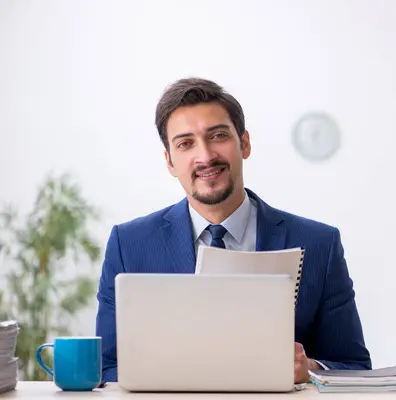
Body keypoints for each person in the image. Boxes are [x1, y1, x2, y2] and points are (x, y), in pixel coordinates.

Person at [95, 77, 372, 383]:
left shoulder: (320, 243)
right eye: (185, 143)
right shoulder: (129, 244)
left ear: (245, 143)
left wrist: (311, 369)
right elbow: (106, 366)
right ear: (170, 162)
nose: (205, 156)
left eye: (218, 136)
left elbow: (355, 366)